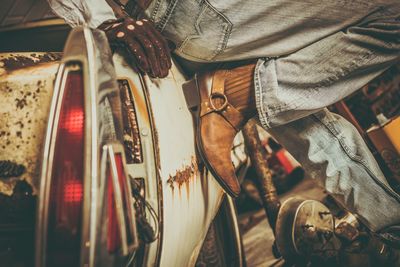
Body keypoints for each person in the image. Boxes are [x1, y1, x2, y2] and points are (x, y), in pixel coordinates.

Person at [48, 0, 400, 247]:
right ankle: (238, 92)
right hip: (202, 12)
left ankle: (391, 229)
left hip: (192, 24)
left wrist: (98, 19)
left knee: (310, 127)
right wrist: (99, 21)